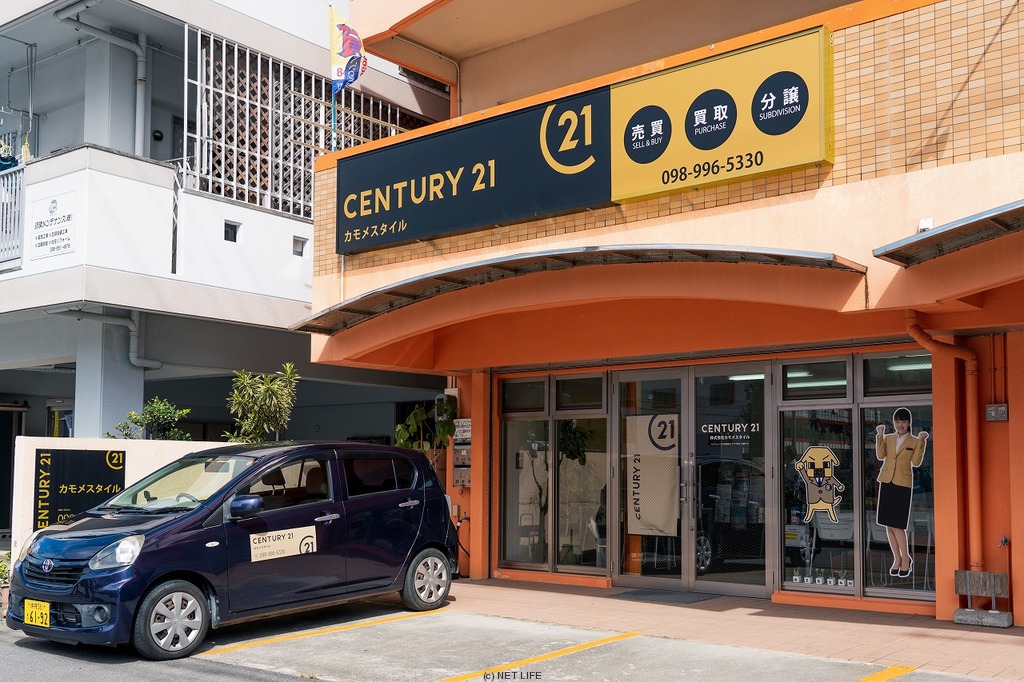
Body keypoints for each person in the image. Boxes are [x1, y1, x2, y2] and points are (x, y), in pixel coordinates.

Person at [875, 408, 928, 578]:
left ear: (909, 423)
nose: (900, 425)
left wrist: (921, 441)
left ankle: (906, 558)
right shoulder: (889, 438)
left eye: (903, 422)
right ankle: (897, 558)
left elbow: (916, 462)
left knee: (897, 525)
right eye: (897, 422)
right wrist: (880, 436)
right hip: (887, 482)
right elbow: (880, 455)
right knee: (888, 525)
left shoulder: (914, 441)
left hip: (902, 484)